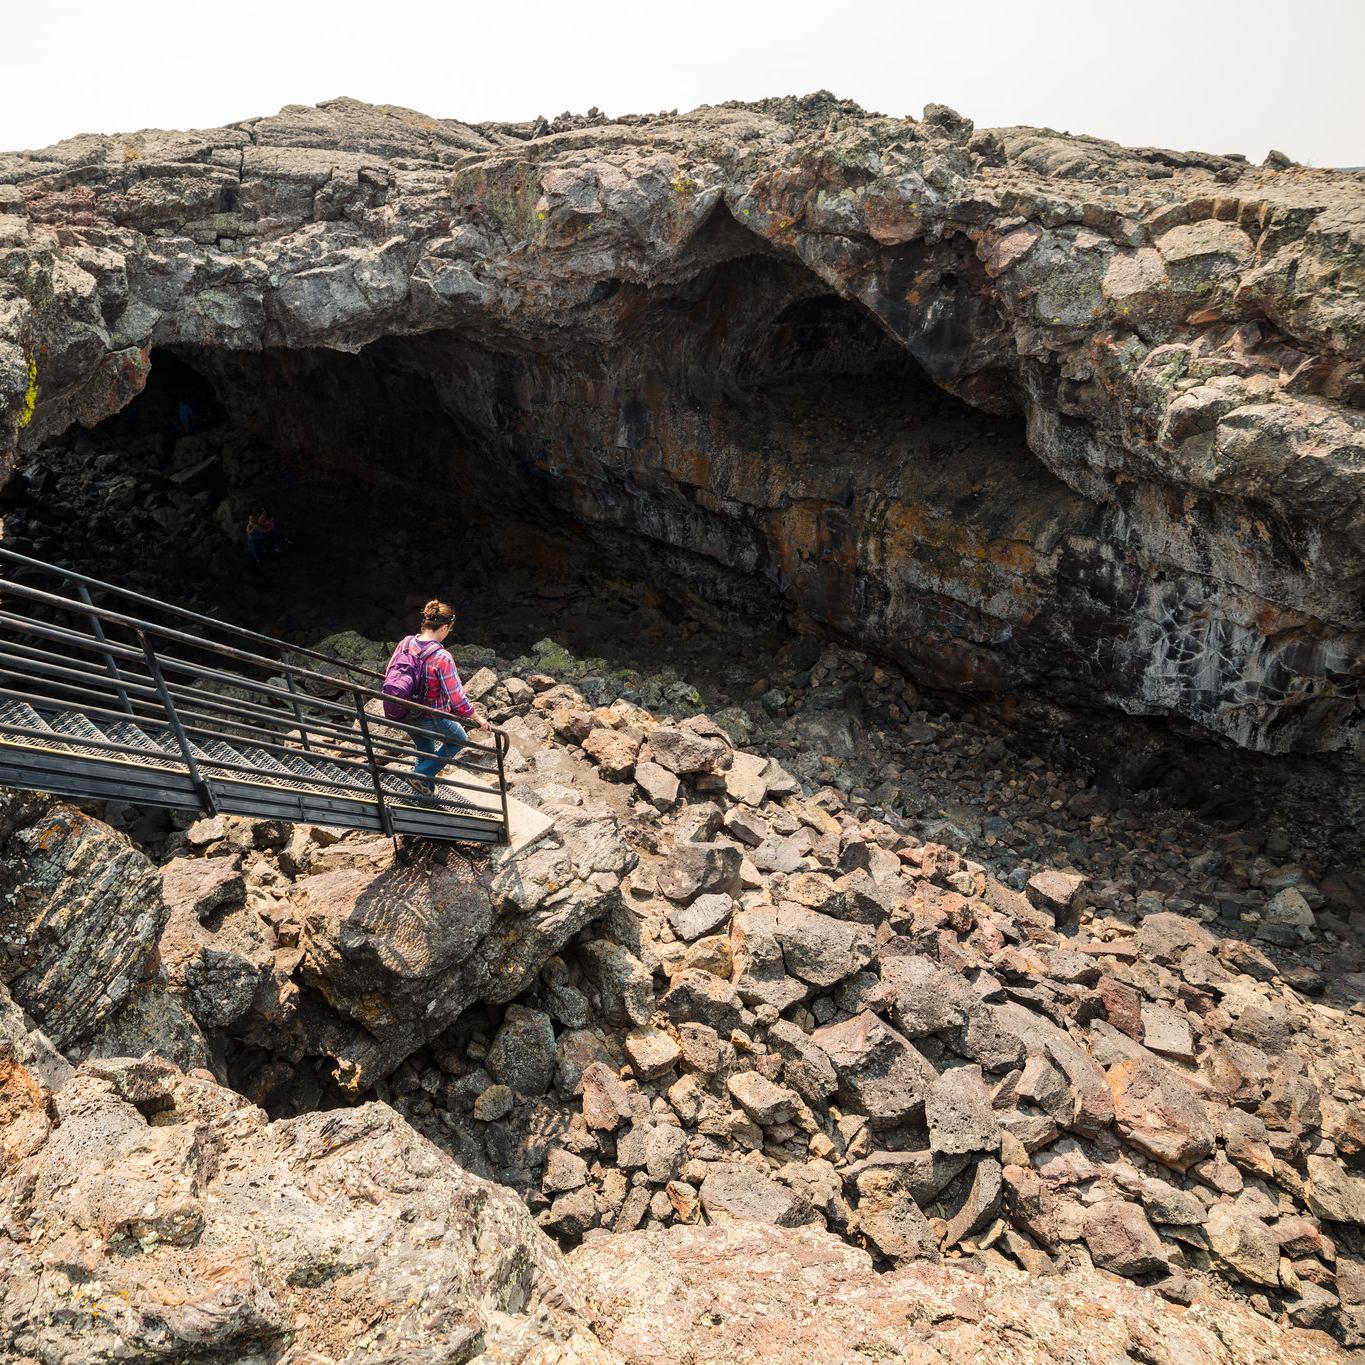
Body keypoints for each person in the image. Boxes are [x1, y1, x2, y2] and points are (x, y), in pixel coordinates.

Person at [391, 599, 487, 792]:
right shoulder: (442, 657)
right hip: (429, 714)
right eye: (449, 629)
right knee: (459, 738)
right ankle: (419, 776)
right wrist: (477, 718)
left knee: (425, 748)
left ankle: (425, 790)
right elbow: (457, 698)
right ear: (444, 627)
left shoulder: (405, 643)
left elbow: (391, 673)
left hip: (402, 709)